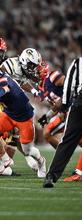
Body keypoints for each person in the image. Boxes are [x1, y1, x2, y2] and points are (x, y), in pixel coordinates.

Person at [43, 57, 82, 188]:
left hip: (79, 103)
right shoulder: (40, 86)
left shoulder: (78, 62)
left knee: (67, 140)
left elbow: (68, 86)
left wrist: (63, 108)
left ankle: (51, 175)